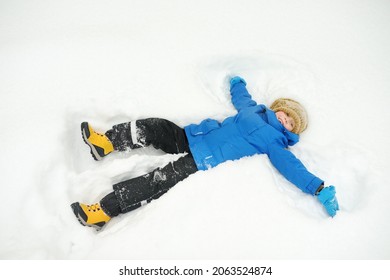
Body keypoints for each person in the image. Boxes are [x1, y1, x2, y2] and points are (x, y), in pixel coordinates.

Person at [71, 76, 339, 230]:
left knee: (156, 181)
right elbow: (241, 97)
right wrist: (237, 81)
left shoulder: (275, 142)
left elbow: (292, 167)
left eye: (292, 124)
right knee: (154, 126)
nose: (286, 121)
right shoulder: (254, 110)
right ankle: (106, 142)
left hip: (204, 160)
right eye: (286, 115)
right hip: (191, 136)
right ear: (277, 108)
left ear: (292, 132)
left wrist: (318, 188)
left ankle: (103, 211)